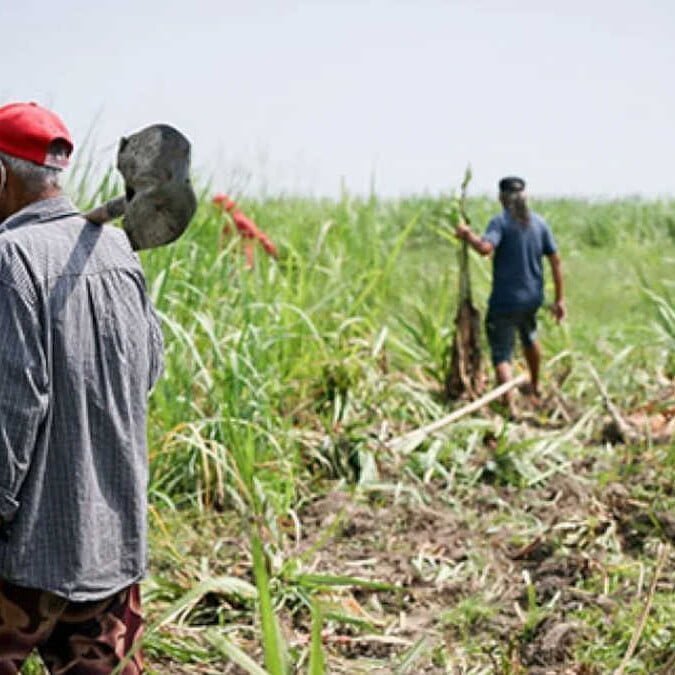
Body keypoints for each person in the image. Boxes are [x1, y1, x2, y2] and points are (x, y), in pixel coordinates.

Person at [0, 102, 163, 673]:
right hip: (111, 547)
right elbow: (148, 373)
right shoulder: (119, 251)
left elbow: (13, 409)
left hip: (25, 560)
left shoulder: (10, 258)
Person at [455, 176, 564, 411]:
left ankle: (510, 404)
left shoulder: (501, 223)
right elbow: (556, 261)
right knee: (530, 337)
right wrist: (559, 299)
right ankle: (535, 387)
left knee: (501, 354)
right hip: (532, 299)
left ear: (502, 198)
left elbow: (485, 248)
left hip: (505, 301)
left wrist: (467, 234)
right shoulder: (539, 224)